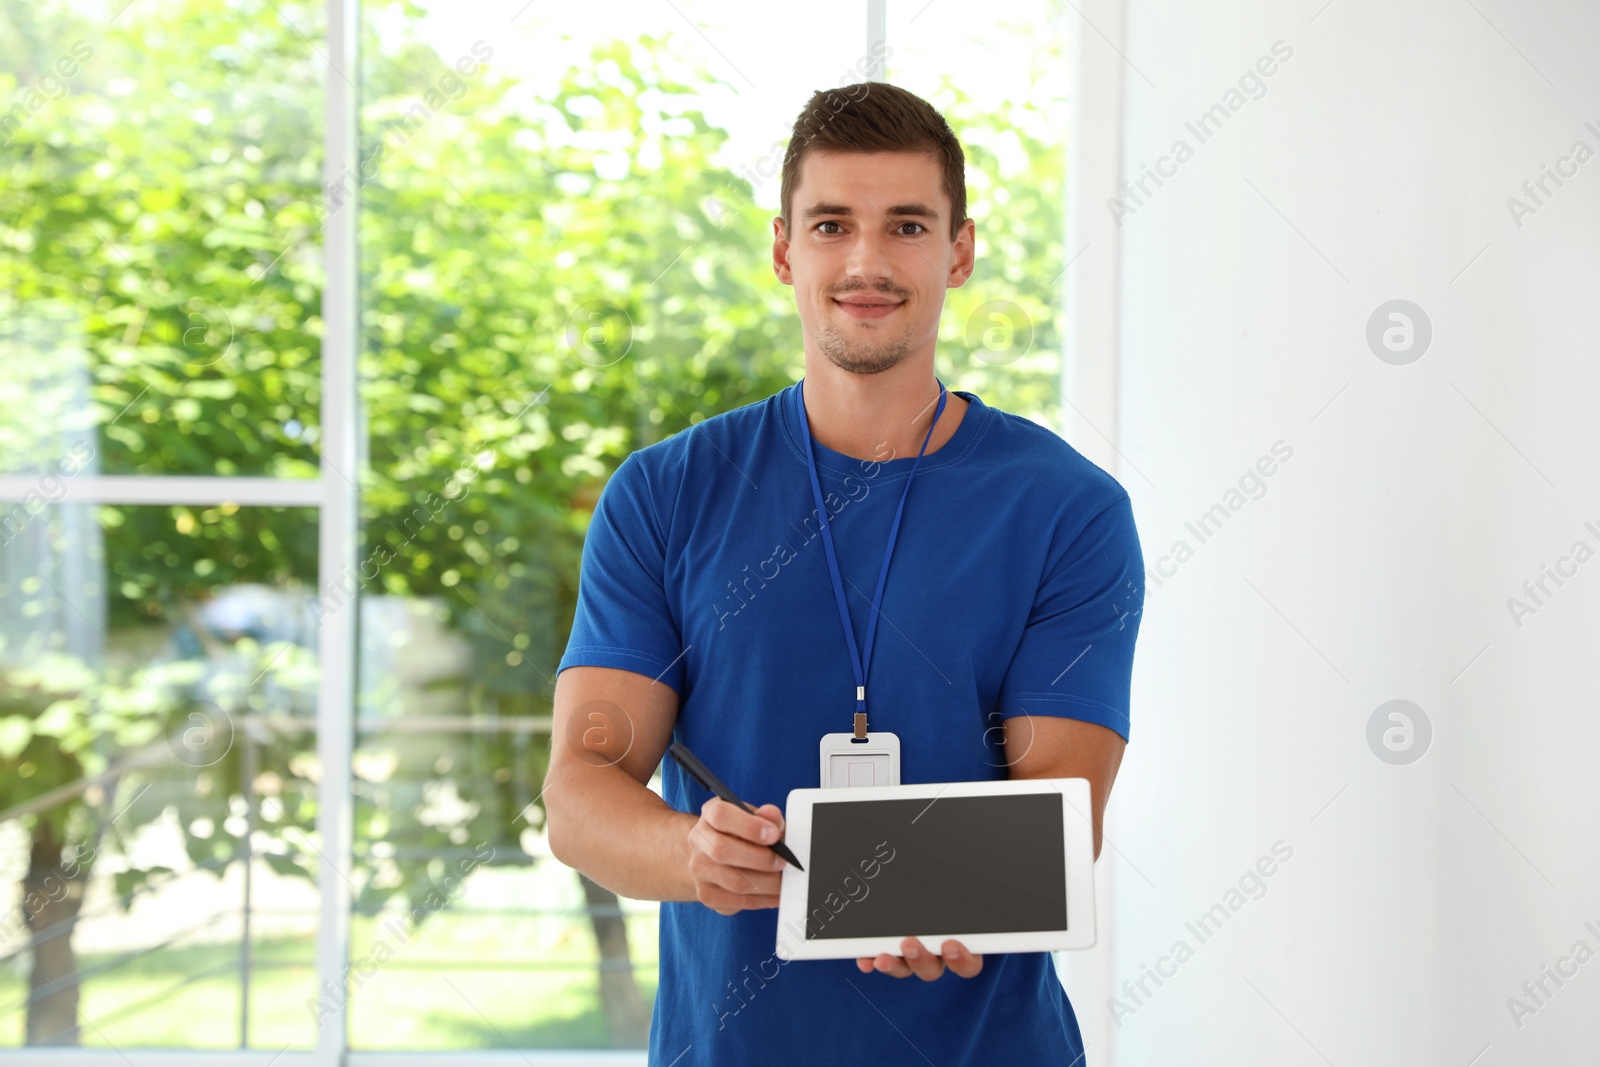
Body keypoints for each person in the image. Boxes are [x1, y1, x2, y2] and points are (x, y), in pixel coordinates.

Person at [545, 79, 1144, 1066]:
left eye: (906, 225)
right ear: (785, 248)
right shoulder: (663, 494)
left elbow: (1056, 822)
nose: (866, 260)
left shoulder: (1066, 509)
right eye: (832, 224)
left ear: (959, 250)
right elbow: (581, 788)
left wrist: (957, 898)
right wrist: (689, 854)